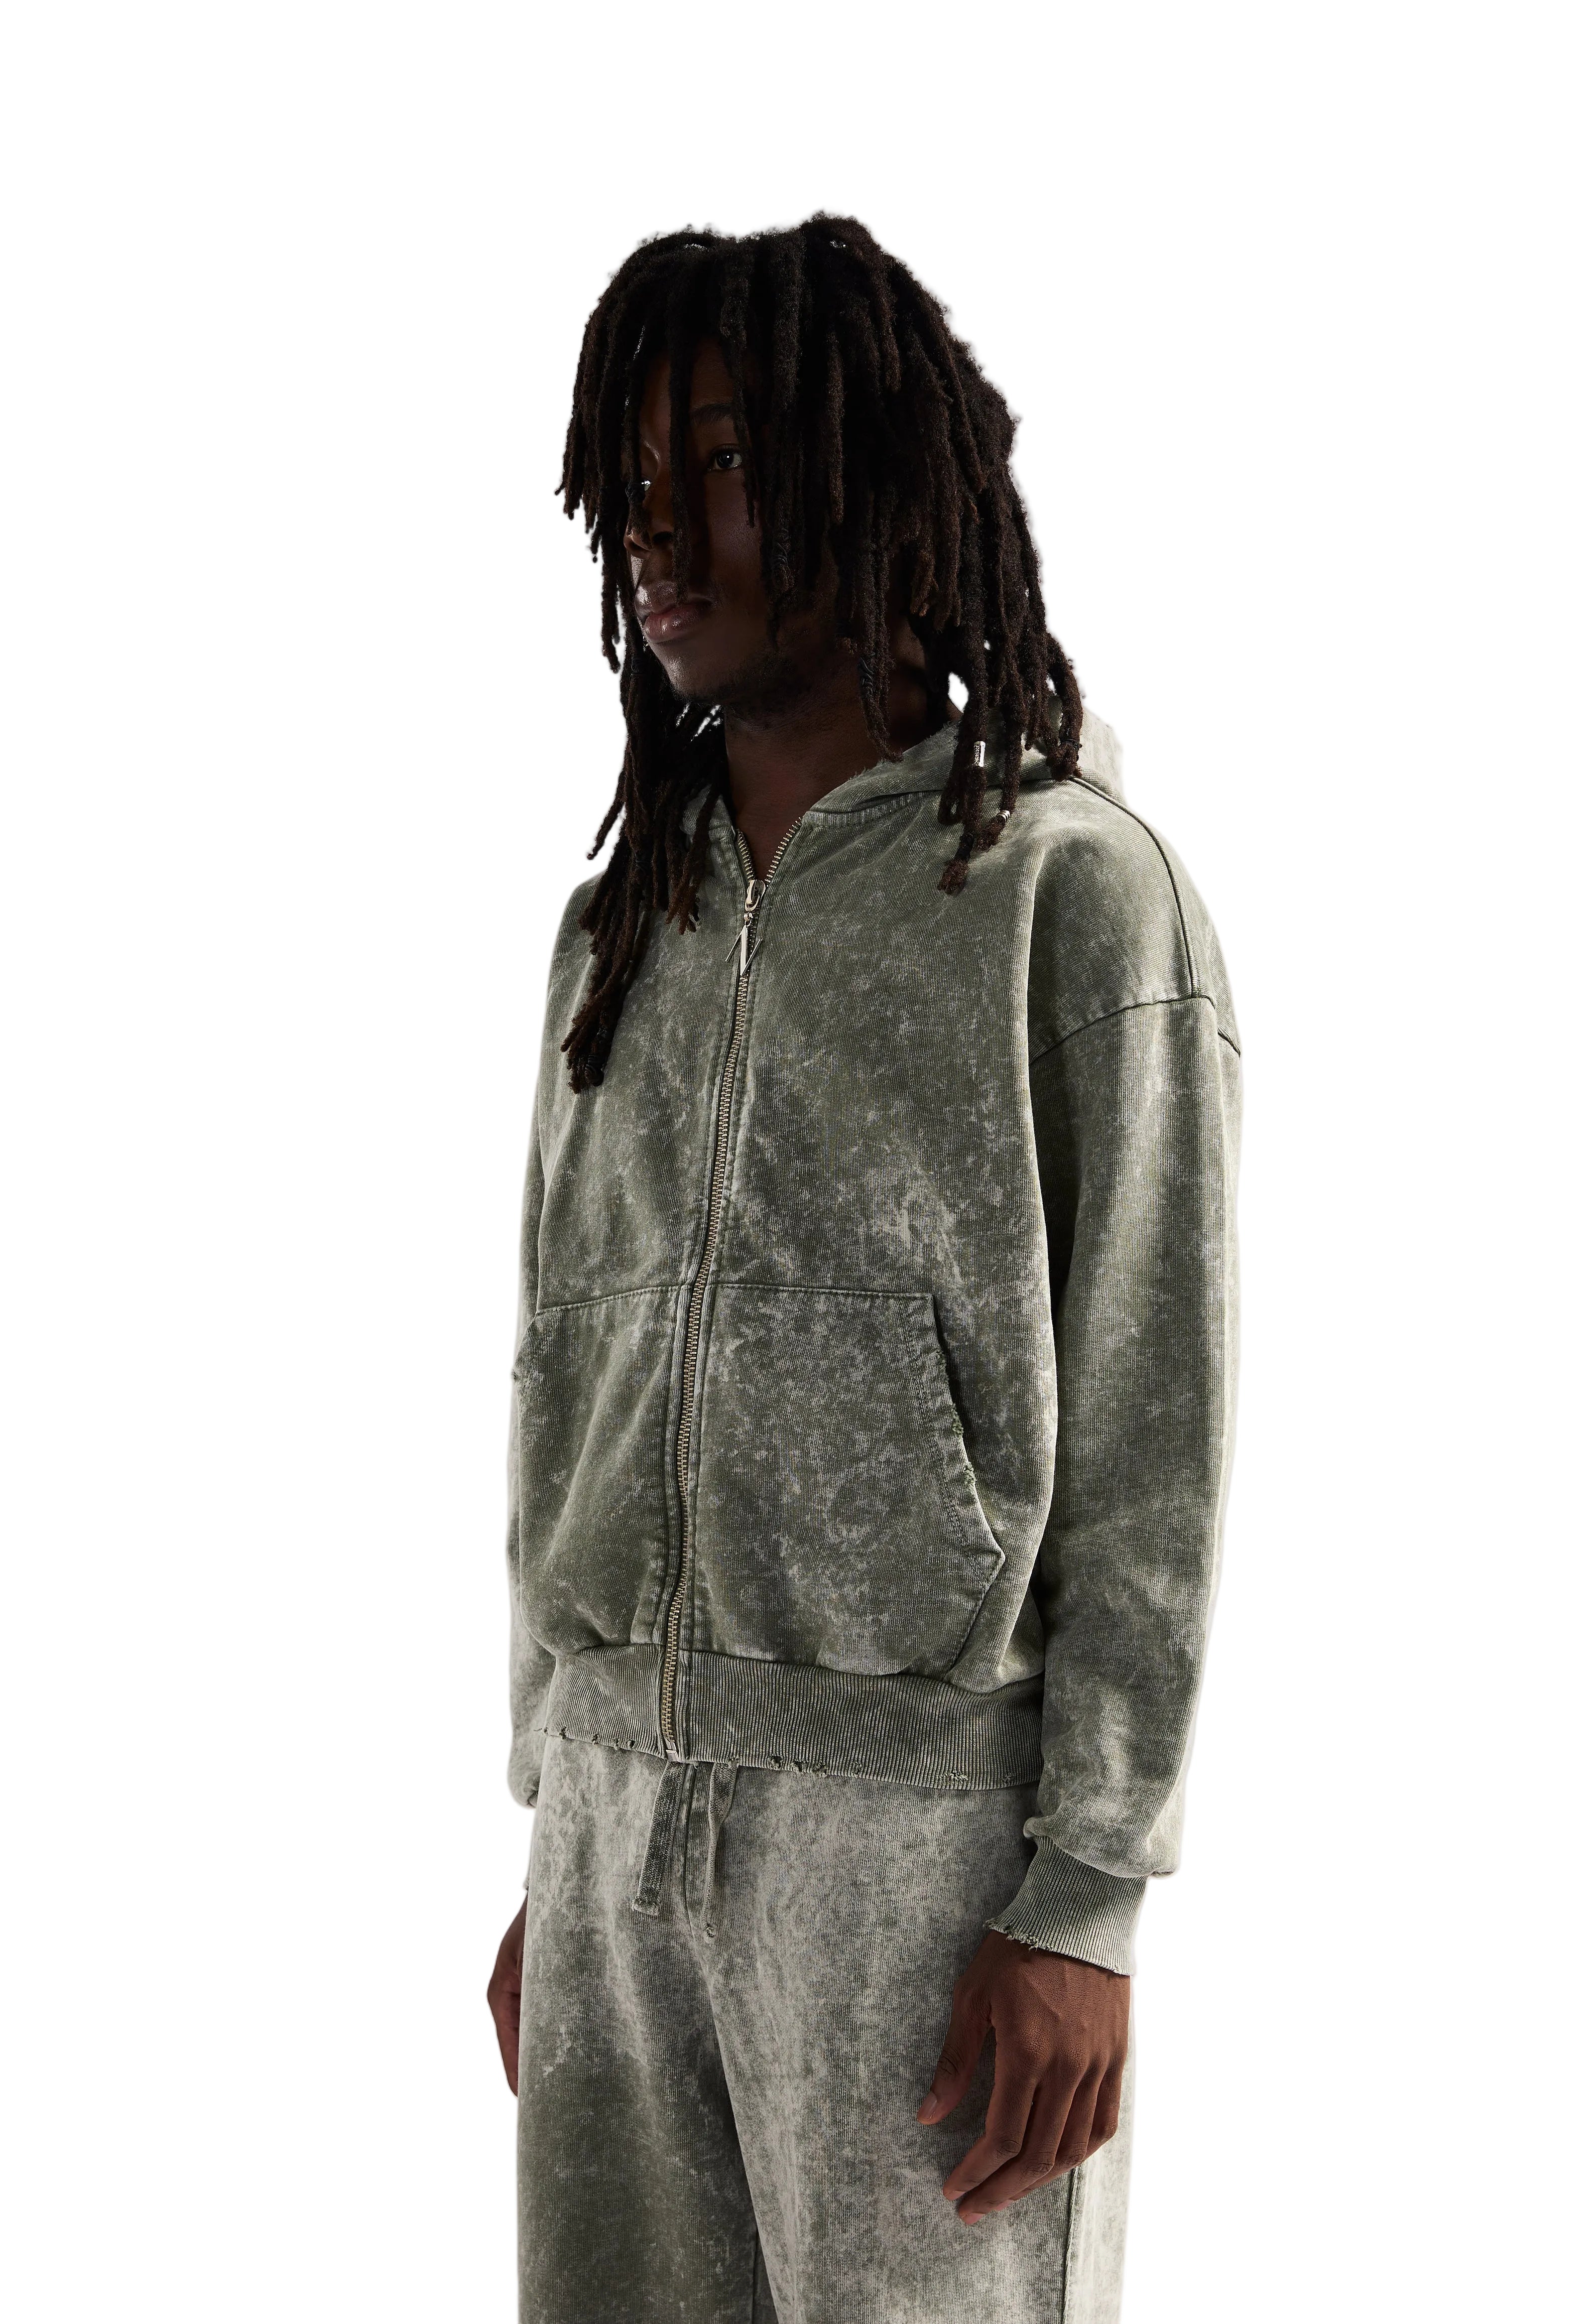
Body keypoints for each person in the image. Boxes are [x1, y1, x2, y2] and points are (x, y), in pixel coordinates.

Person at [485, 214, 1241, 2324]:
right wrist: (563, 1811)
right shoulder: (616, 934)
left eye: (723, 462)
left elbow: (1154, 1419)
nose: (658, 526)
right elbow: (556, 1375)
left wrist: (1083, 1897)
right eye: (635, 477)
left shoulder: (1070, 899)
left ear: (873, 480)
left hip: (917, 1852)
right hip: (613, 1829)